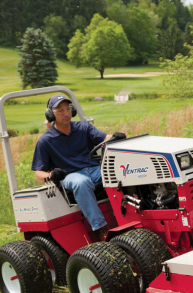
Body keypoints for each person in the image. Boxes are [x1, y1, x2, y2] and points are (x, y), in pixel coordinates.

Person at [31, 95, 124, 240]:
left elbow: (105, 138)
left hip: (94, 169)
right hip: (71, 176)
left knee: (118, 169)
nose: (66, 114)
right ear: (51, 114)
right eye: (60, 111)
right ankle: (102, 229)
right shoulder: (45, 141)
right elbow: (38, 174)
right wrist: (50, 176)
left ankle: (127, 213)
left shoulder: (83, 127)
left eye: (68, 109)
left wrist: (115, 137)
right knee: (81, 182)